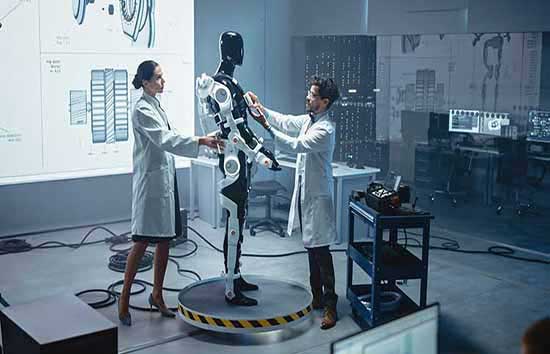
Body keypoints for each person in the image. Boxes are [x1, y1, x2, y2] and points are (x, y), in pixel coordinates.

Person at [117, 60, 223, 326]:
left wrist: (203, 138)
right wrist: (200, 142)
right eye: (159, 78)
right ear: (145, 81)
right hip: (151, 184)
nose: (163, 82)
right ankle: (124, 298)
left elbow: (171, 134)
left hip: (165, 180)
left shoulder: (154, 104)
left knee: (165, 240)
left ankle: (157, 295)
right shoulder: (141, 109)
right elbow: (165, 139)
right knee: (141, 242)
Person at [246, 76, 340, 329]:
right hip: (307, 194)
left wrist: (265, 125)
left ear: (324, 101)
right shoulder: (309, 120)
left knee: (321, 250)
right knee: (311, 247)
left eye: (312, 95)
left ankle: (331, 306)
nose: (307, 97)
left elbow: (296, 145)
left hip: (318, 197)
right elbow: (285, 121)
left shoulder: (325, 129)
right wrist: (261, 108)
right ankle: (317, 298)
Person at [196, 31, 280, 306]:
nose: (242, 52)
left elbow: (239, 123)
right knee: (234, 221)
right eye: (239, 47)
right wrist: (262, 154)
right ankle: (231, 288)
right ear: (232, 51)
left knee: (239, 219)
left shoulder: (229, 84)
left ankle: (236, 274)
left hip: (237, 158)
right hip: (233, 160)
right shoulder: (222, 86)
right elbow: (235, 130)